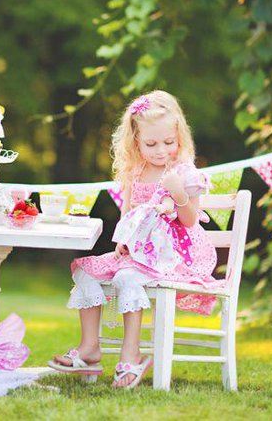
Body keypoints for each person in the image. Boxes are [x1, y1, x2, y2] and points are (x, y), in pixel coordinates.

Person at [49, 90, 218, 389]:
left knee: (127, 277)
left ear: (179, 137)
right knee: (84, 271)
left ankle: (132, 354)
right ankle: (90, 348)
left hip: (172, 254)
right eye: (151, 143)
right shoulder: (135, 171)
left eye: (169, 142)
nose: (161, 150)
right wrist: (122, 241)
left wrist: (178, 192)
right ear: (136, 140)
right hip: (135, 251)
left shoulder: (184, 172)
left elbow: (190, 220)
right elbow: (128, 214)